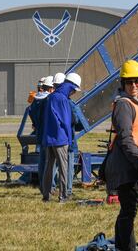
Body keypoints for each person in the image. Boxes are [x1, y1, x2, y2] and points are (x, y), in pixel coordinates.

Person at [103, 60, 138, 251]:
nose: (134, 85)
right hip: (129, 166)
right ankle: (127, 247)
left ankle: (122, 246)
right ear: (123, 83)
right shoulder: (124, 105)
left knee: (127, 211)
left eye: (137, 81)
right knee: (129, 211)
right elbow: (125, 138)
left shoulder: (137, 102)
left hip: (133, 163)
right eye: (129, 81)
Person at [41, 72, 81, 202]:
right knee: (64, 168)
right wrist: (70, 139)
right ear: (71, 87)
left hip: (49, 139)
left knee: (48, 167)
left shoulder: (51, 97)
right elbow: (66, 121)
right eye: (74, 90)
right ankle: (63, 195)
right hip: (61, 139)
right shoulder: (63, 99)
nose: (74, 93)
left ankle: (46, 195)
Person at [29, 76, 55, 191]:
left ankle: (42, 184)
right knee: (50, 162)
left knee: (42, 160)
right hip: (48, 134)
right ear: (50, 88)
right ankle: (51, 185)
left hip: (39, 133)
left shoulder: (35, 99)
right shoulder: (48, 100)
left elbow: (31, 112)